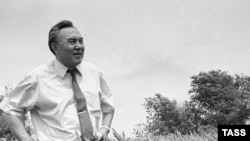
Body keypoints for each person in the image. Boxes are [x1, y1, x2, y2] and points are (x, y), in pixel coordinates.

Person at [0, 20, 115, 141]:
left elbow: (108, 107)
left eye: (81, 41)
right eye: (72, 41)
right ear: (55, 47)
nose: (79, 46)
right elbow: (9, 109)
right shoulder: (38, 77)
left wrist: (104, 129)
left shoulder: (94, 73)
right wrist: (26, 139)